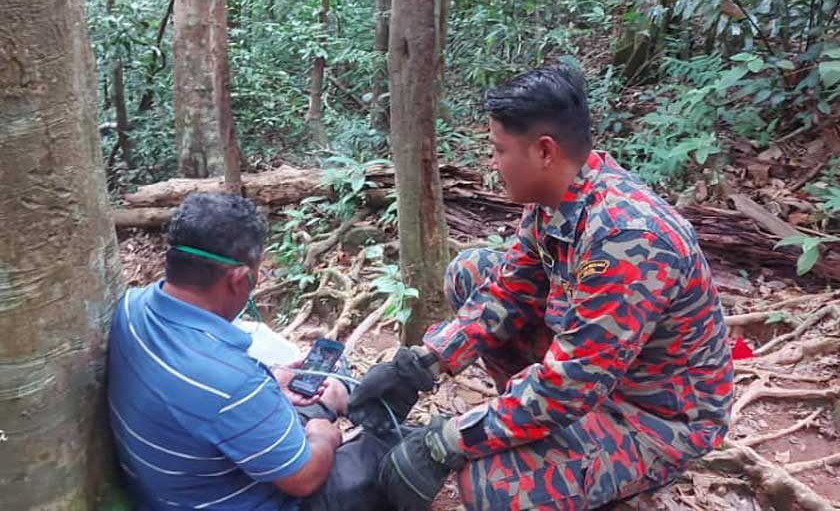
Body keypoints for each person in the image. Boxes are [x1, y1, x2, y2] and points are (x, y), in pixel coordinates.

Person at [349, 65, 735, 510]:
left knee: (480, 487)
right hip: (594, 378)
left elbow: (571, 386)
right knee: (473, 270)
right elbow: (507, 292)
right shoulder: (556, 202)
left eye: (498, 150)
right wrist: (423, 364)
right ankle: (526, 425)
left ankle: (555, 441)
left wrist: (449, 440)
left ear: (545, 152)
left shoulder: (628, 238)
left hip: (653, 415)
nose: (492, 164)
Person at [107, 193, 396, 511]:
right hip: (252, 498)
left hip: (172, 484)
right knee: (391, 452)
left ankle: (336, 401)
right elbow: (304, 479)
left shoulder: (131, 307)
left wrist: (273, 380)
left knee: (325, 384)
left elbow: (213, 398)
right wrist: (324, 437)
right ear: (239, 279)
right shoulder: (234, 381)